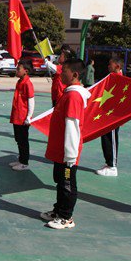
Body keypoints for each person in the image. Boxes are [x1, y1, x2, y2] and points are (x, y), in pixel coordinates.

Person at [40, 58, 91, 230]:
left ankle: (66, 217)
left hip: (67, 153)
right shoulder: (68, 94)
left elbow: (73, 126)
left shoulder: (74, 97)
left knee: (68, 185)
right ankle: (58, 210)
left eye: (65, 71)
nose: (61, 73)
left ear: (75, 75)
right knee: (60, 182)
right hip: (60, 150)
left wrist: (70, 154)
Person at [97, 57, 122, 177]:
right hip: (107, 114)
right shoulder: (111, 78)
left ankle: (113, 166)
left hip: (113, 116)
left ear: (117, 66)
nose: (108, 66)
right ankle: (108, 163)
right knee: (105, 138)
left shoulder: (121, 79)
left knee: (111, 139)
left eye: (110, 64)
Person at [8, 60, 35, 171]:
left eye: (19, 69)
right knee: (18, 139)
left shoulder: (28, 84)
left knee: (23, 140)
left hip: (23, 118)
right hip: (16, 116)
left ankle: (24, 162)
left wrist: (29, 116)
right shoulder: (19, 81)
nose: (16, 70)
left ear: (26, 71)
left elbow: (31, 100)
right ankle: (20, 159)